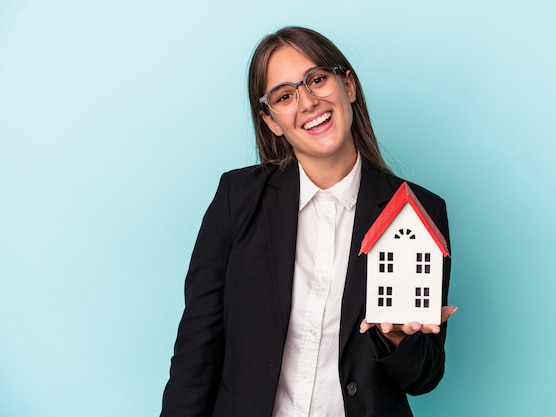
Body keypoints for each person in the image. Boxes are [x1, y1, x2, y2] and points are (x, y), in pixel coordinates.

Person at [161, 26, 456, 417]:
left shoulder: (418, 212)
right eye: (285, 96)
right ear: (271, 121)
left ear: (347, 85)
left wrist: (400, 341)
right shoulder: (237, 199)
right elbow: (196, 351)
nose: (307, 102)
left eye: (317, 79)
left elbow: (424, 378)